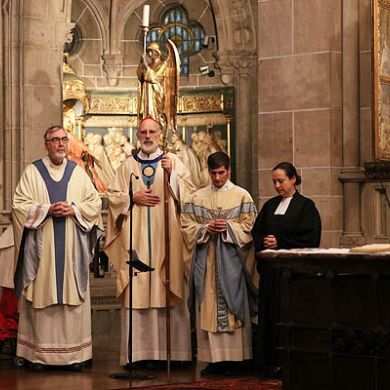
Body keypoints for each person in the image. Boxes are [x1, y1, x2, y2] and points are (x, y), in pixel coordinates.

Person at [105, 117, 195, 368]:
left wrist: (172, 176)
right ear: (138, 134)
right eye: (143, 132)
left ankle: (174, 355)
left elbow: (190, 198)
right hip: (137, 242)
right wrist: (132, 197)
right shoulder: (126, 166)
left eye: (152, 131)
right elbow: (113, 197)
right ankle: (139, 355)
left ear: (160, 134)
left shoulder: (173, 161)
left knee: (168, 288)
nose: (147, 136)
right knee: (139, 290)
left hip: (168, 240)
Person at [12, 125, 103, 371]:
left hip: (72, 249)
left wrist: (74, 209)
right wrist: (46, 210)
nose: (60, 144)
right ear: (46, 144)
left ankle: (75, 356)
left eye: (64, 139)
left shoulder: (78, 173)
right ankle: (38, 355)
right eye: (55, 140)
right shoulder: (32, 172)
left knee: (71, 296)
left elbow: (94, 203)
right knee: (43, 294)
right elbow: (18, 205)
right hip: (43, 252)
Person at [181, 152, 258, 376]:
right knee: (208, 307)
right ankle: (213, 359)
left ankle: (236, 360)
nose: (217, 178)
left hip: (232, 262)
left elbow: (250, 226)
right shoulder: (197, 197)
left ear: (229, 170)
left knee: (233, 307)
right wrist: (204, 229)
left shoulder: (242, 196)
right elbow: (186, 226)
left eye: (221, 173)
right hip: (207, 262)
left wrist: (229, 229)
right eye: (213, 173)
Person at [251, 161, 321, 377]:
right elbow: (256, 233)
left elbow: (310, 237)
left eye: (281, 181)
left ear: (293, 179)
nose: (277, 186)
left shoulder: (306, 206)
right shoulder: (270, 205)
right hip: (271, 273)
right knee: (269, 316)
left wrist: (280, 242)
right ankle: (268, 362)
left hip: (292, 276)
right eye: (274, 182)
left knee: (288, 316)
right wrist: (265, 241)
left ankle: (289, 363)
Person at [137, 42, 168, 127]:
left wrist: (146, 66)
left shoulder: (163, 64)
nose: (149, 54)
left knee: (157, 117)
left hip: (156, 94)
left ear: (157, 53)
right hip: (147, 95)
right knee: (147, 117)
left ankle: (159, 134)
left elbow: (155, 77)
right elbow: (140, 77)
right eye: (148, 52)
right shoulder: (149, 65)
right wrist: (141, 63)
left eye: (152, 51)